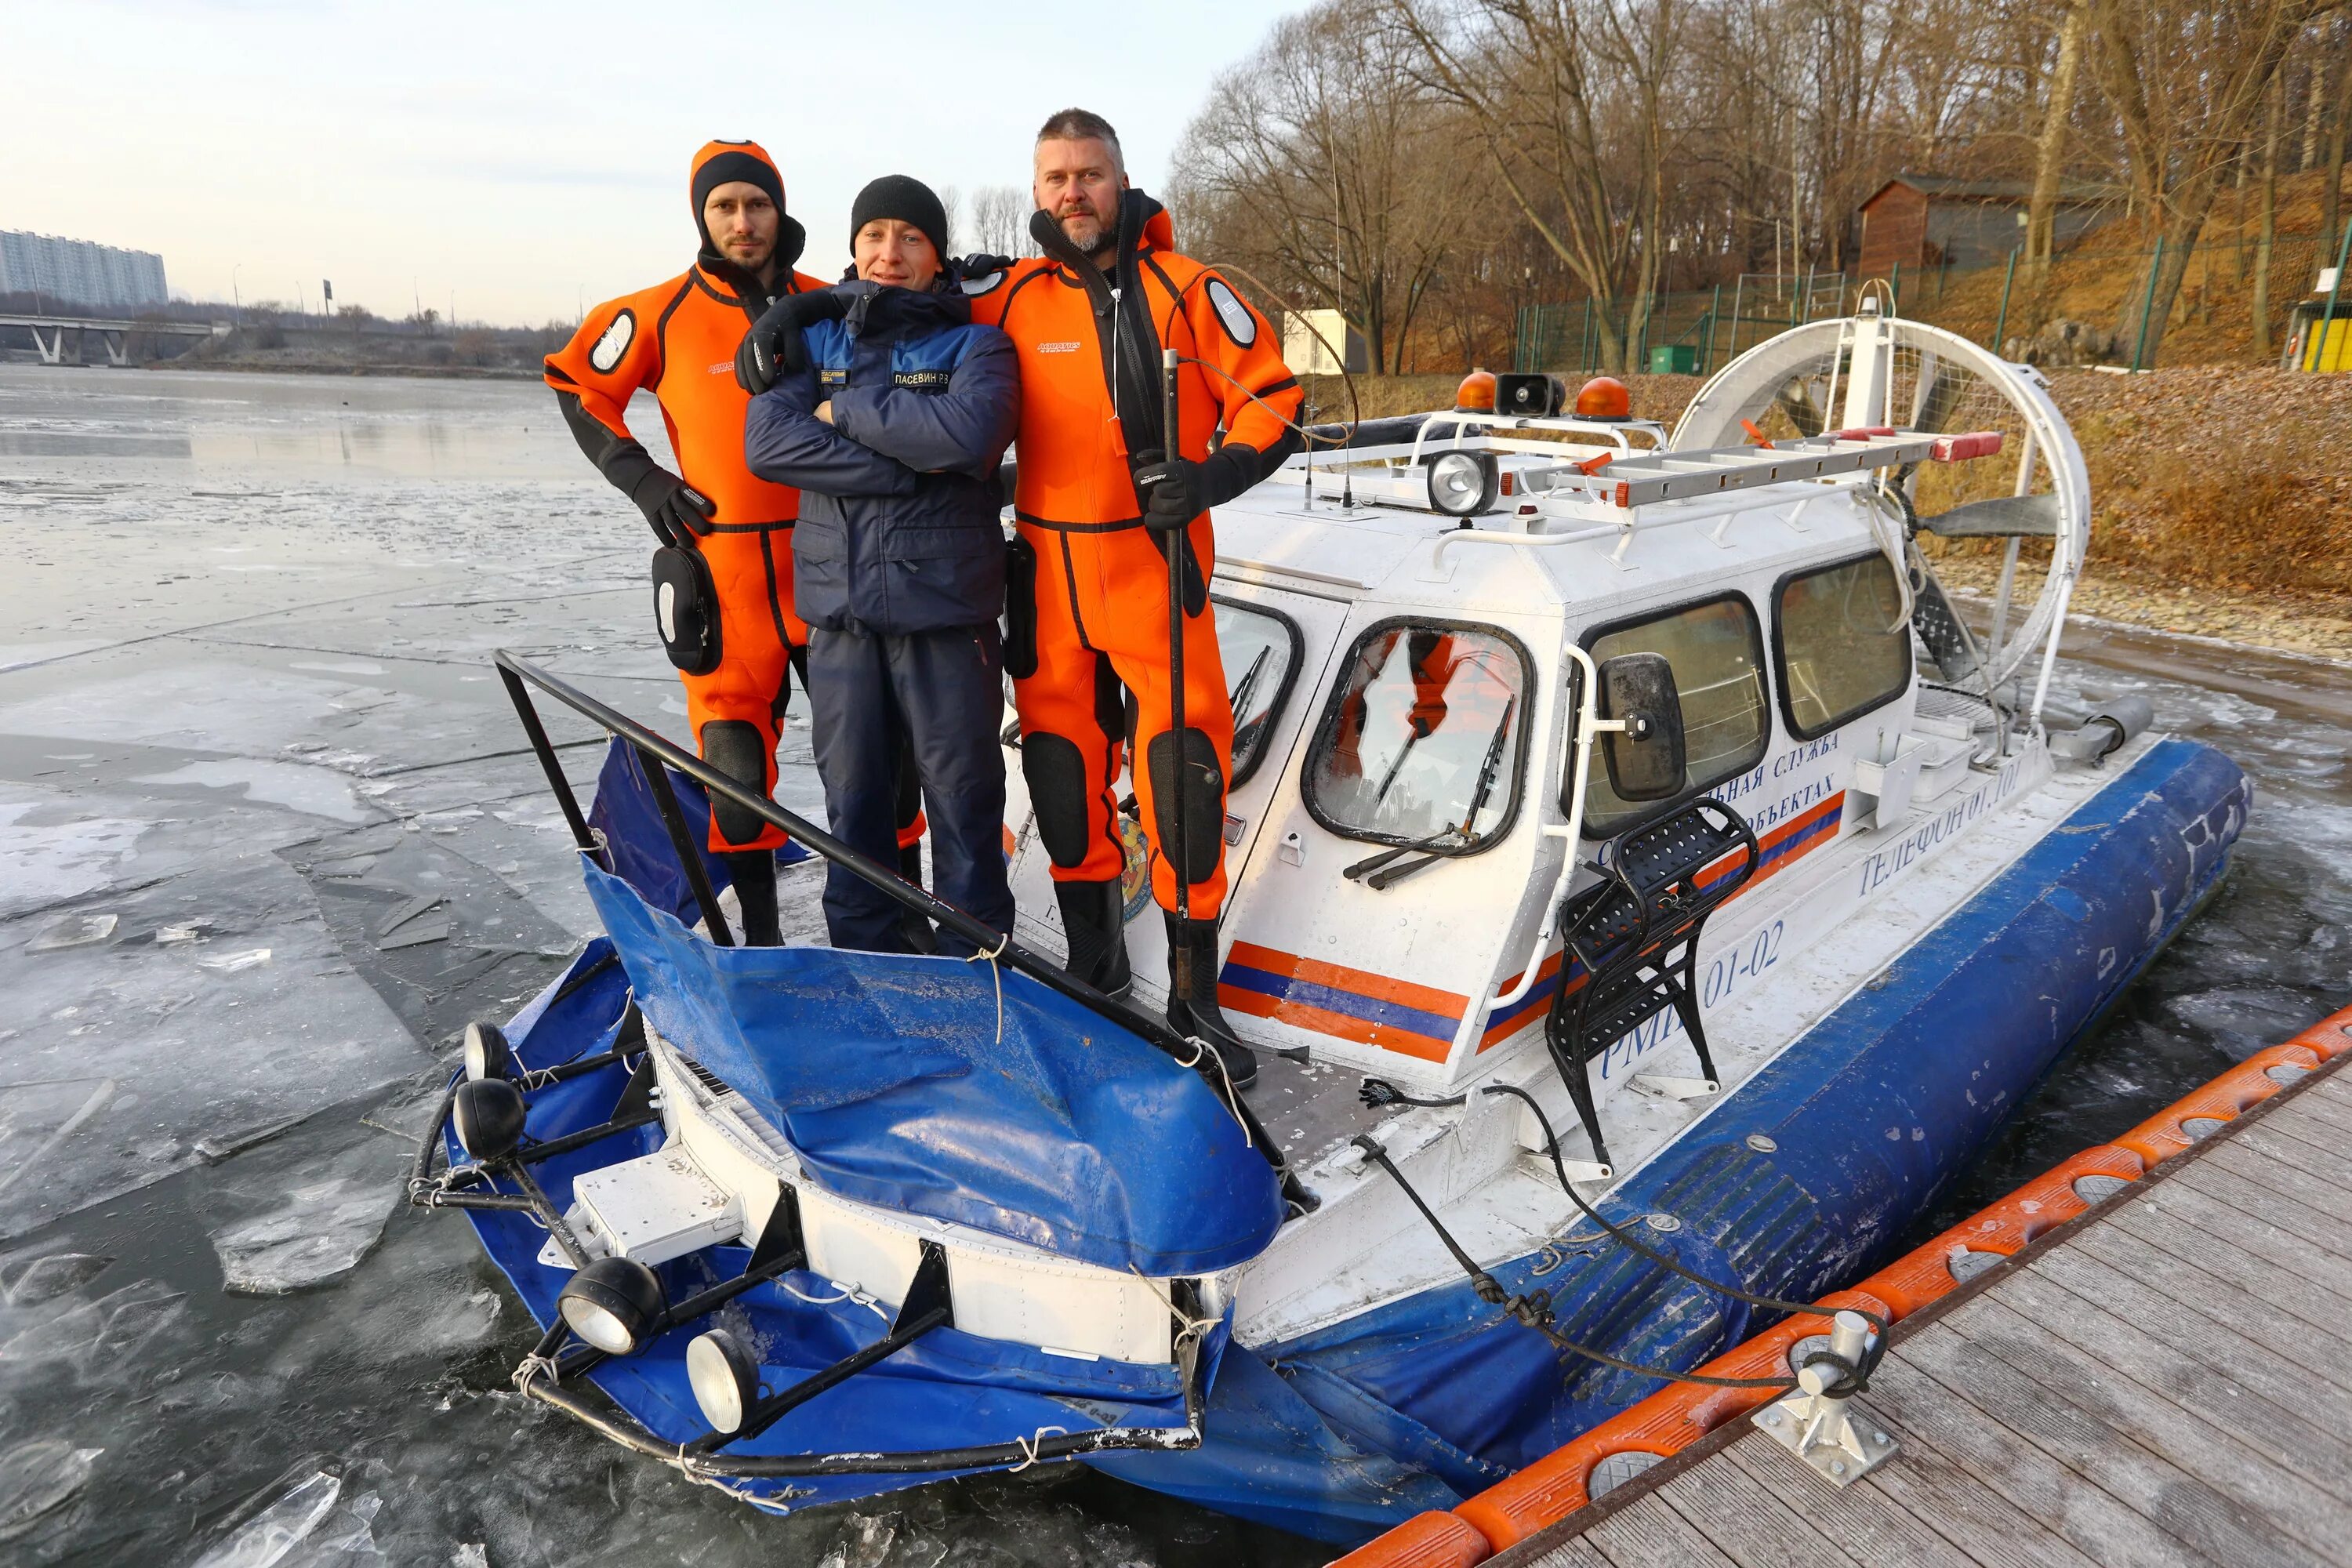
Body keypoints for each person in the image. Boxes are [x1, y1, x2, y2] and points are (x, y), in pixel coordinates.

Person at [963, 108, 1304, 1084]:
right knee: (1064, 771)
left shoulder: (1190, 288)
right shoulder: (1009, 299)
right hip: (1048, 577)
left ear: (1122, 181)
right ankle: (1095, 963)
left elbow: (1277, 399)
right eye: (1056, 177)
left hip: (1154, 569)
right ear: (1038, 191)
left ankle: (1197, 994)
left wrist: (1212, 477)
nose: (1074, 192)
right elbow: (901, 316)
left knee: (1184, 776)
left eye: (1090, 174)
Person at [543, 140, 923, 946]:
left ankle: (906, 925)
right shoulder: (659, 312)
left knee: (885, 770)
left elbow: (934, 322)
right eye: (725, 207)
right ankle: (761, 946)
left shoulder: (836, 301)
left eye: (757, 204)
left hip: (839, 566)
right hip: (726, 579)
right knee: (736, 778)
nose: (744, 222)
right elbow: (578, 385)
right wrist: (645, 482)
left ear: (780, 210)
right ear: (702, 216)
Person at [739, 177, 1020, 955]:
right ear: (854, 247)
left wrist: (849, 413)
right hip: (842, 616)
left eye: (910, 238)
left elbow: (968, 440)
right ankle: (866, 965)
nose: (889, 254)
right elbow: (769, 444)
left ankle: (973, 971)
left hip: (946, 614)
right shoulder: (814, 341)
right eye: (874, 235)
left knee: (964, 805)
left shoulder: (977, 344)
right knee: (853, 804)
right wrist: (907, 470)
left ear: (938, 257)